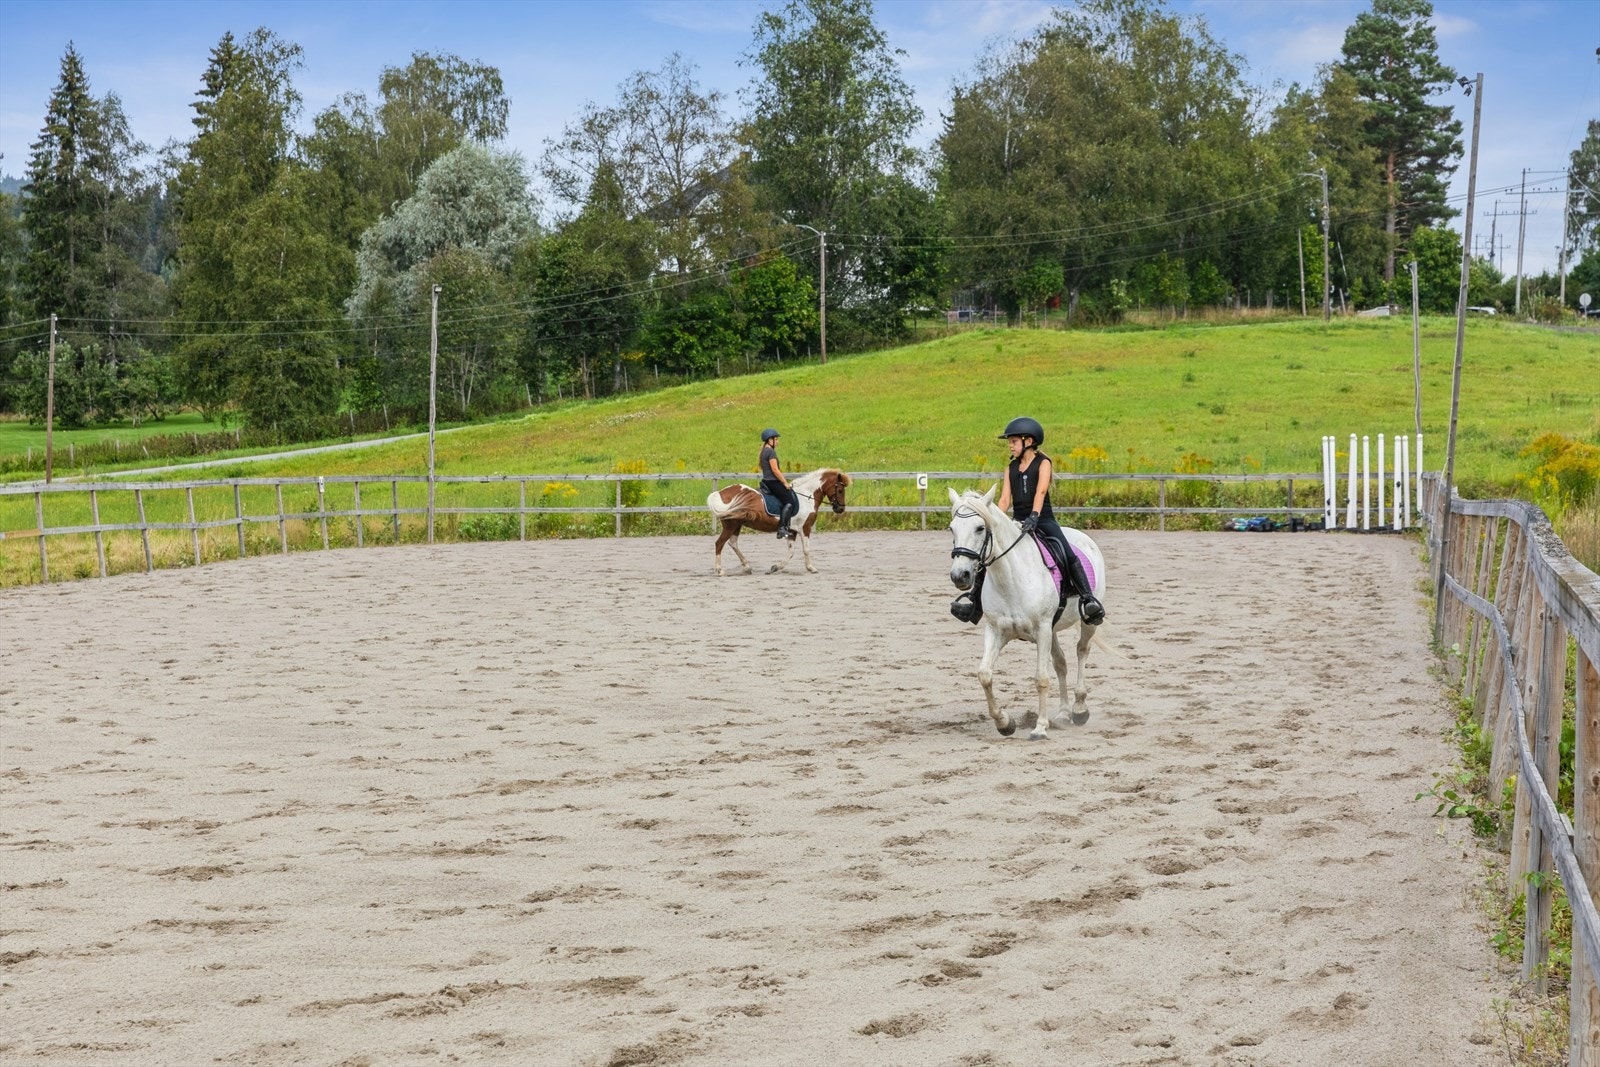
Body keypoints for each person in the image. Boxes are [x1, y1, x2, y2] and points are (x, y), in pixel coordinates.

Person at [995, 416, 1106, 626]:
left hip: (1043, 519)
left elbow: (1041, 491)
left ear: (1028, 441)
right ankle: (974, 601)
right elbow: (1004, 499)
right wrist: (997, 522)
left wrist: (1035, 516)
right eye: (1009, 442)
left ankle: (1088, 598)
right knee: (992, 553)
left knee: (1066, 551)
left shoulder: (1043, 463)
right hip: (1017, 521)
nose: (1010, 445)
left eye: (1013, 441)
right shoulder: (1010, 469)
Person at [758, 428, 799, 539]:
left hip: (767, 481)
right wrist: (785, 483)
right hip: (773, 482)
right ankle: (782, 528)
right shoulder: (770, 452)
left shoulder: (764, 451)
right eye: (776, 439)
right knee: (790, 501)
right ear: (769, 440)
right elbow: (775, 470)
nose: (777, 441)